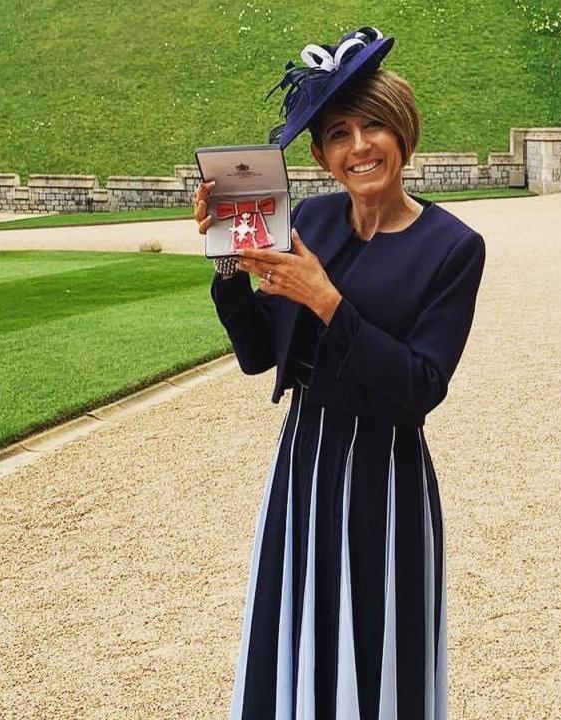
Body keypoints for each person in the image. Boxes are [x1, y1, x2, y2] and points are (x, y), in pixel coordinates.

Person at [192, 27, 486, 720]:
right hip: (303, 464)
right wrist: (227, 266)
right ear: (322, 156)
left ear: (402, 133)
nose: (360, 147)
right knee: (297, 634)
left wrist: (326, 300)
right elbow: (262, 355)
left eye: (374, 126)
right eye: (339, 133)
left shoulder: (452, 247)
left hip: (384, 478)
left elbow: (420, 387)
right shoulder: (312, 222)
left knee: (375, 645)